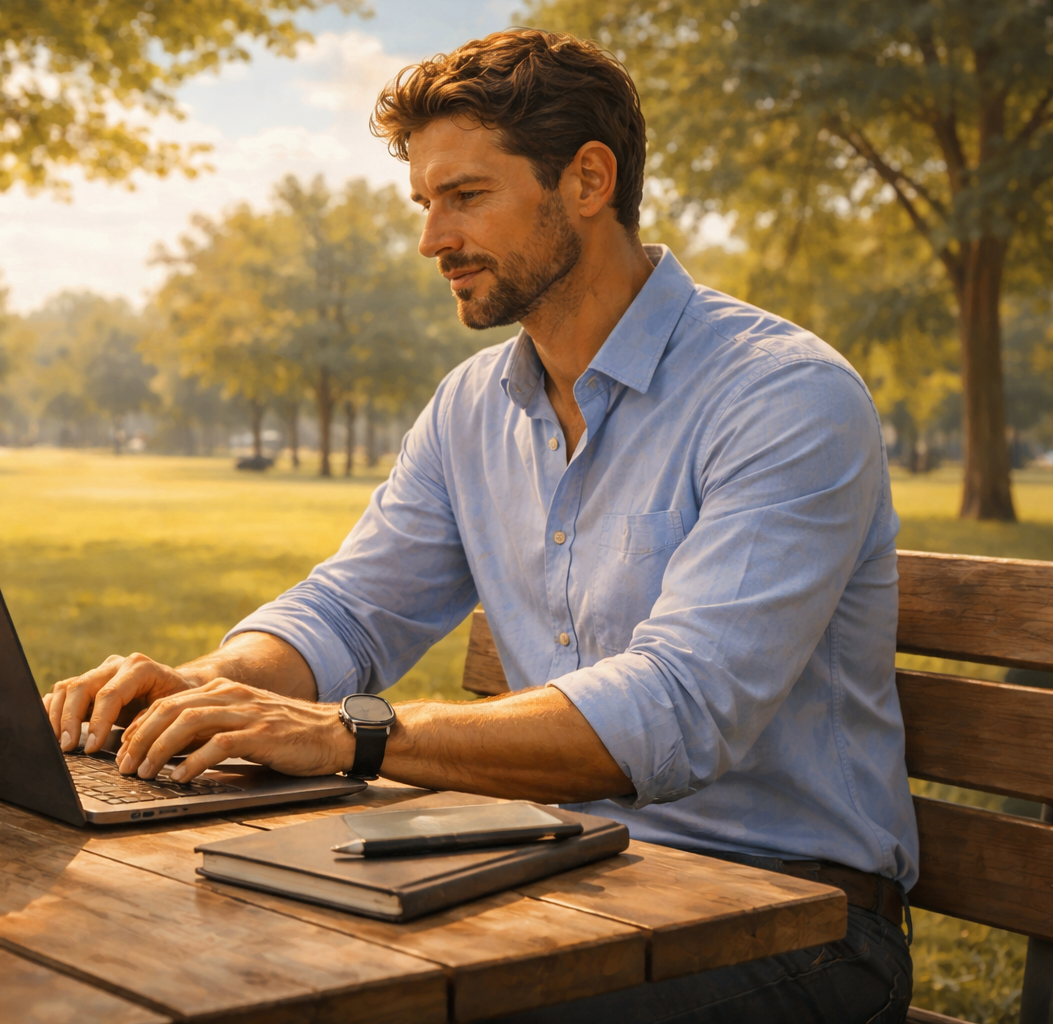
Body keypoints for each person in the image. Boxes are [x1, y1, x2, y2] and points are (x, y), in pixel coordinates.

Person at [44, 28, 916, 1023]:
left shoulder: (783, 396)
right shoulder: (473, 407)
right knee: (203, 952)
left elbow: (680, 706)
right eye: (426, 204)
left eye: (466, 197)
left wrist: (349, 735)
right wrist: (201, 687)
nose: (432, 241)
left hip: (798, 925)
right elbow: (351, 609)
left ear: (589, 180)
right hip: (567, 875)